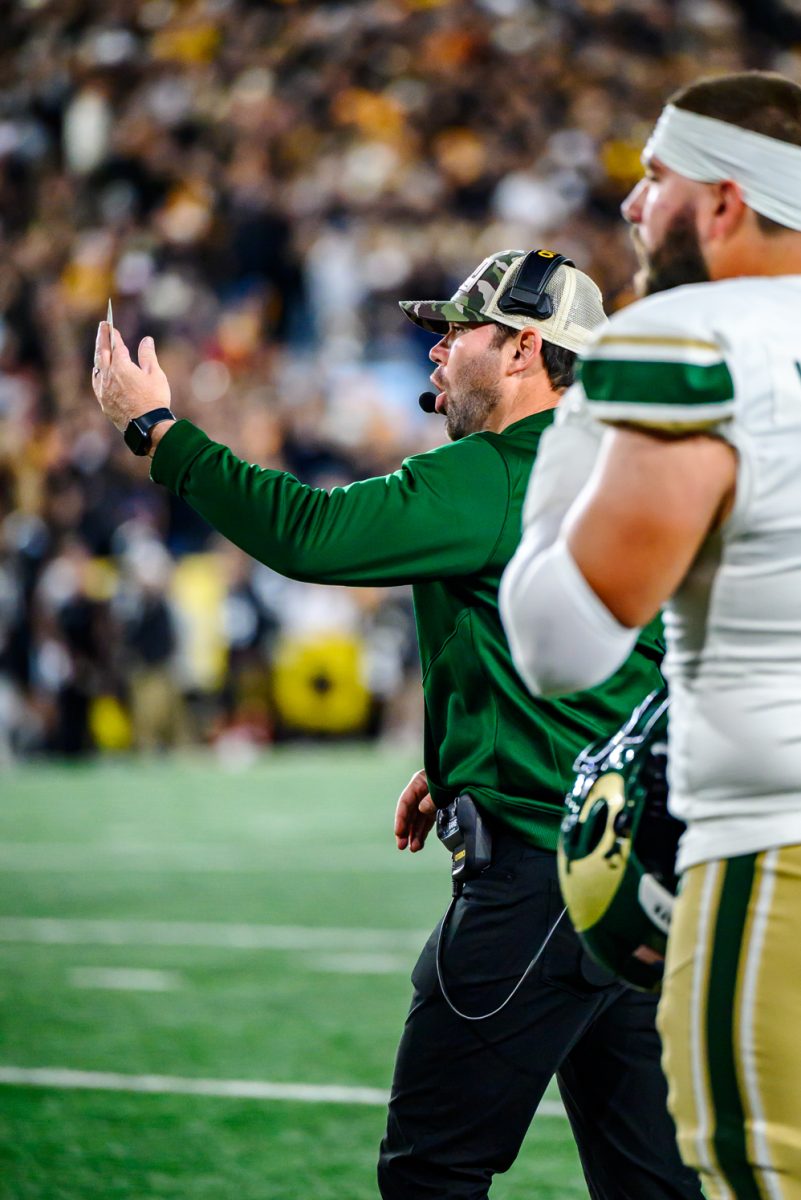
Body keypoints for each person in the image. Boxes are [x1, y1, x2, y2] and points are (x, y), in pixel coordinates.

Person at [91, 249, 700, 1200]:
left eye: (459, 331)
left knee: (431, 1173)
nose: (436, 351)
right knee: (649, 1182)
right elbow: (649, 670)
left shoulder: (490, 473)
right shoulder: (625, 465)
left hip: (537, 873)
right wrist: (463, 757)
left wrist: (157, 431)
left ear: (522, 351)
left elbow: (307, 532)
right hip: (632, 871)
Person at [500, 70, 801, 1200]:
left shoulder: (689, 341)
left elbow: (560, 642)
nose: (632, 208)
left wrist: (573, 433)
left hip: (775, 842)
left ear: (724, 203)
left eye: (655, 180)